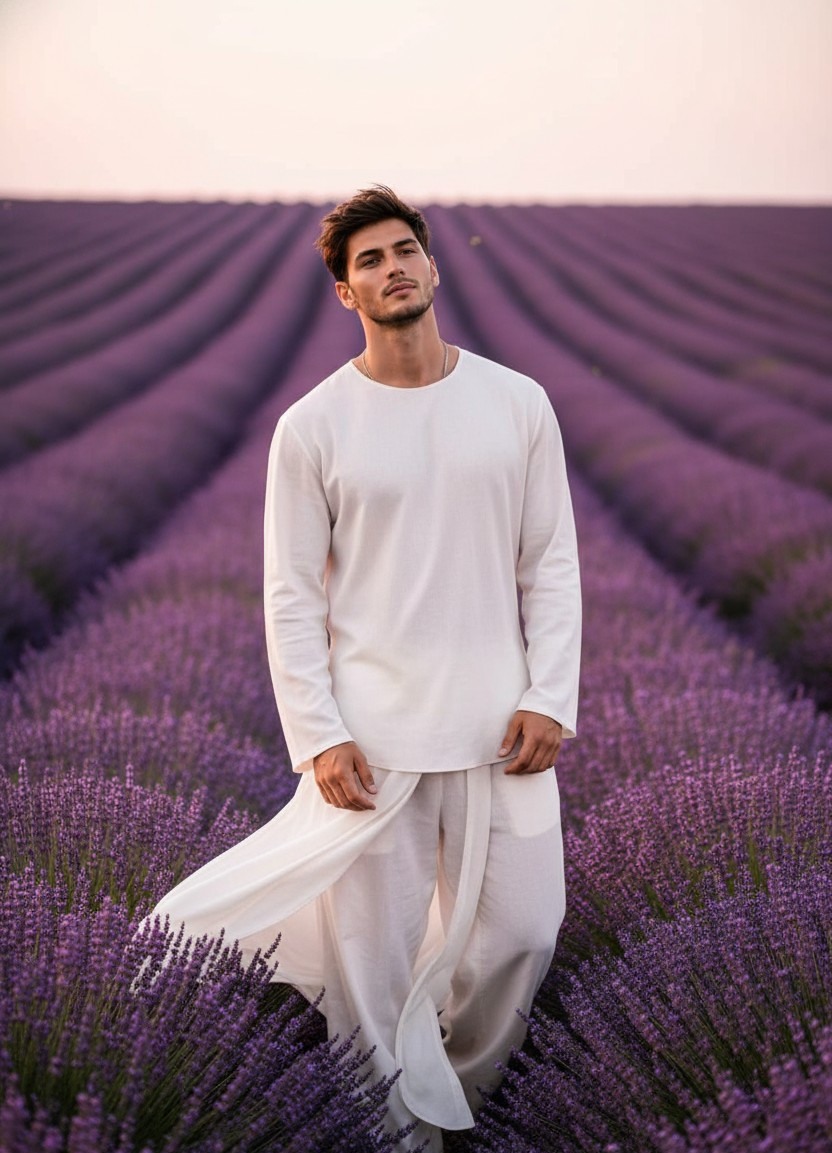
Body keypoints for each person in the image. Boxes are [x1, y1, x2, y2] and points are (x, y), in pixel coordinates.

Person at [142, 186, 581, 1151]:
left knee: (523, 933)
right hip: (374, 737)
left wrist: (552, 696)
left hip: (500, 728)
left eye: (402, 251)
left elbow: (549, 563)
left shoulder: (518, 403)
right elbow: (289, 593)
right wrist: (318, 733)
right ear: (346, 294)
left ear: (433, 262)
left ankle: (449, 1090)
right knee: (372, 966)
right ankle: (404, 1135)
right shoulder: (313, 426)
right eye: (368, 262)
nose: (392, 270)